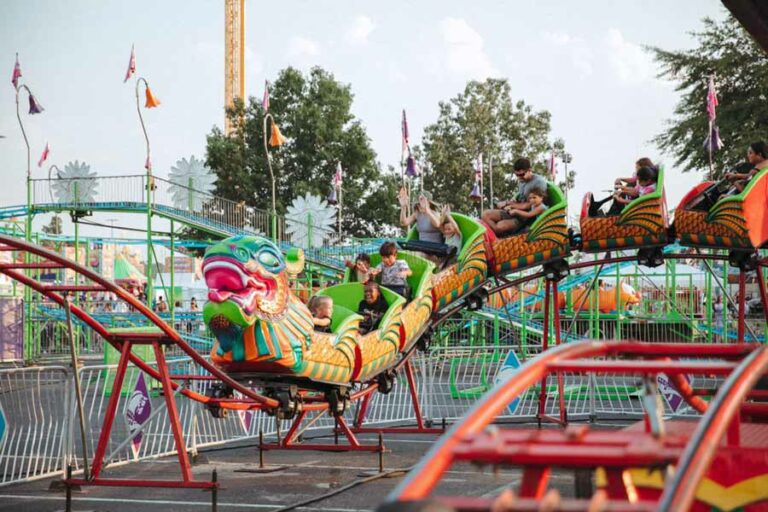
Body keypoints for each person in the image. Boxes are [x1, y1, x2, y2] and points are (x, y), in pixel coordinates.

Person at [482, 158, 547, 236]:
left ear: (530, 170)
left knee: (499, 226)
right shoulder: (522, 181)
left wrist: (509, 205)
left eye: (522, 174)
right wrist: (507, 204)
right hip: (515, 211)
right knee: (485, 215)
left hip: (525, 217)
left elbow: (528, 205)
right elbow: (520, 199)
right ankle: (501, 236)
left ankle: (504, 237)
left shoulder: (539, 182)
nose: (519, 177)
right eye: (517, 175)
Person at [589, 157, 655, 216]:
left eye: (637, 168)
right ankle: (599, 206)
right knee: (619, 194)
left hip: (637, 209)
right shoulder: (644, 179)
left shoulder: (649, 189)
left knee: (619, 199)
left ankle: (611, 217)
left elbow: (638, 202)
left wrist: (622, 200)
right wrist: (622, 190)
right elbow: (636, 190)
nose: (638, 183)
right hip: (635, 203)